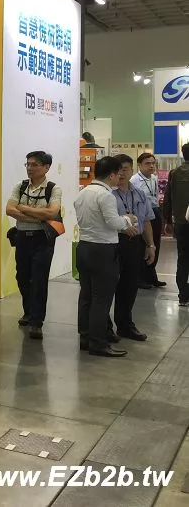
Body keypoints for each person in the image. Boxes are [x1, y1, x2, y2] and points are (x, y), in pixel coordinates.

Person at [75, 156, 137, 357]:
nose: (119, 178)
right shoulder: (106, 195)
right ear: (111, 175)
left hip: (84, 247)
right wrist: (128, 219)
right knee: (101, 299)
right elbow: (114, 223)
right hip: (103, 250)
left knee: (86, 296)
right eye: (118, 174)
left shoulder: (83, 193)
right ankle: (98, 342)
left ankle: (85, 337)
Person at [5, 151, 62, 340]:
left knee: (39, 280)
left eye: (34, 164)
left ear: (46, 167)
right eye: (28, 164)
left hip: (42, 239)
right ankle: (28, 312)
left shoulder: (53, 189)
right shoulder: (20, 186)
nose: (30, 168)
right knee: (22, 277)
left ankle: (37, 322)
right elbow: (9, 209)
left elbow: (52, 213)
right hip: (22, 237)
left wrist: (23, 209)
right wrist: (38, 215)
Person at [109, 154, 155, 342]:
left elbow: (147, 221)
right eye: (117, 170)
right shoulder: (107, 194)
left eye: (125, 169)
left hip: (134, 244)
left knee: (130, 286)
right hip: (113, 243)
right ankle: (105, 328)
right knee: (108, 287)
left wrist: (150, 245)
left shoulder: (140, 193)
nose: (121, 173)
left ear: (131, 170)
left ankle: (125, 325)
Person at [132, 153, 165, 289]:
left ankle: (151, 276)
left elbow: (154, 196)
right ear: (139, 165)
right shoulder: (135, 180)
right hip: (141, 215)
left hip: (155, 211)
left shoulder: (154, 178)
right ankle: (139, 278)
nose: (151, 166)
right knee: (142, 245)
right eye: (147, 163)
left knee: (154, 244)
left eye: (153, 163)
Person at [163, 143, 189, 306]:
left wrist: (167, 220)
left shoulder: (174, 173)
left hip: (181, 222)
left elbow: (168, 198)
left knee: (183, 259)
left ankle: (183, 296)